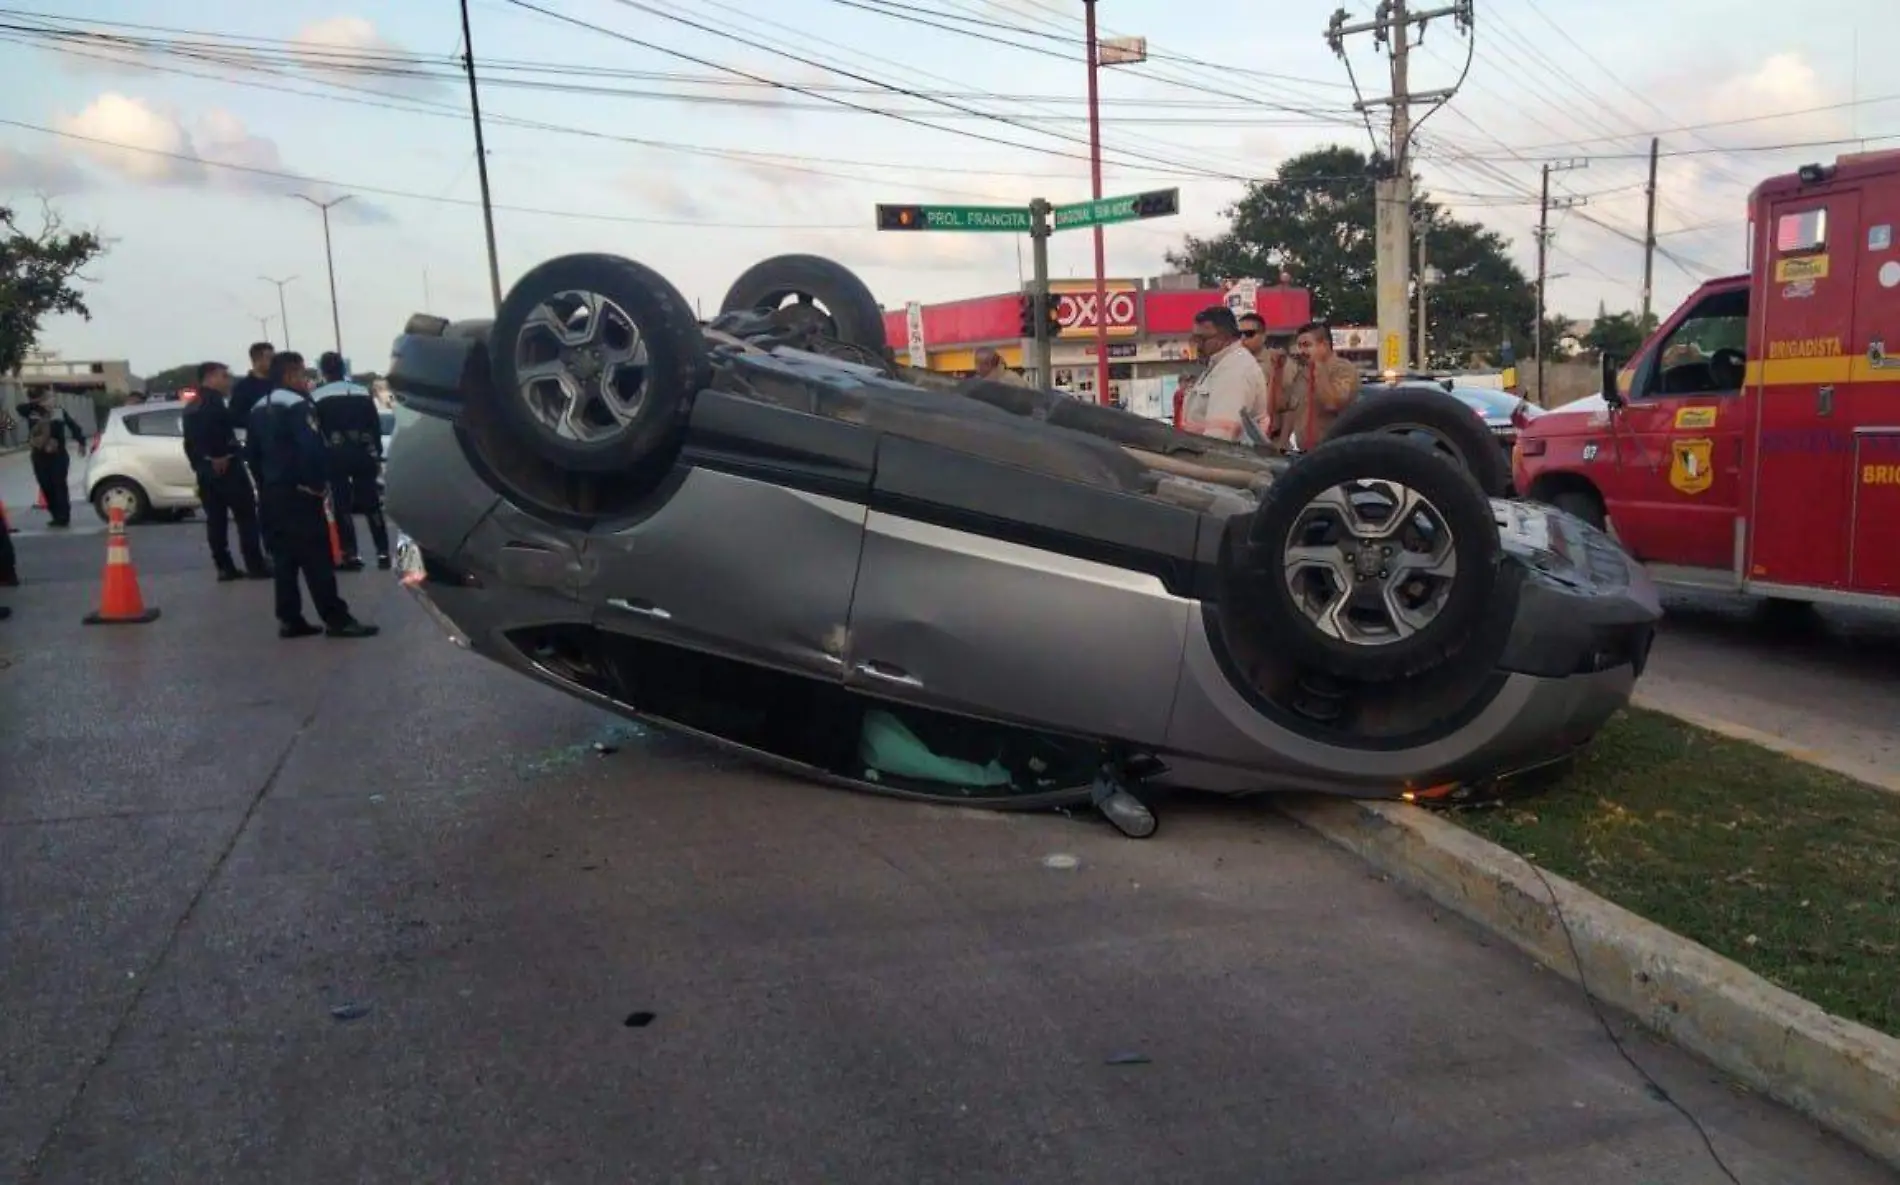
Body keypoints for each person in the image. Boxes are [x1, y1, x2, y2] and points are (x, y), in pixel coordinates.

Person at [246, 351, 378, 640]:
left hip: (272, 494)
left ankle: (290, 619)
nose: (307, 381)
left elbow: (252, 455)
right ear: (291, 375)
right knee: (317, 557)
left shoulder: (257, 408)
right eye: (303, 374)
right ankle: (336, 618)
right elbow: (311, 448)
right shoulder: (298, 406)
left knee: (284, 560)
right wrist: (316, 484)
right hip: (300, 495)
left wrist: (266, 484)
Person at [182, 361, 271, 582]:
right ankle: (255, 564)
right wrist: (218, 455)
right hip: (226, 468)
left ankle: (224, 566)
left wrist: (201, 463)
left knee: (216, 520)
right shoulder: (213, 402)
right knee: (246, 516)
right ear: (210, 377)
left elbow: (189, 442)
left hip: (205, 472)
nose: (228, 381)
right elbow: (213, 431)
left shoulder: (192, 404)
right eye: (224, 376)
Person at [310, 351, 391, 571]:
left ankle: (351, 554)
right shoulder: (362, 392)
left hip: (335, 456)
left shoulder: (317, 396)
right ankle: (383, 552)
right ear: (343, 369)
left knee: (342, 505)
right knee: (372, 503)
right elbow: (374, 426)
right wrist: (375, 451)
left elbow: (315, 431)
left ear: (323, 371)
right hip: (363, 453)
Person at [1266, 319, 1362, 451]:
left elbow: (1332, 403)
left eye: (1307, 345)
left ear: (1324, 345)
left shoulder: (1343, 369)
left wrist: (1319, 367)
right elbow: (1280, 406)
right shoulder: (1303, 373)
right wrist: (1277, 371)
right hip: (1306, 453)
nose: (1301, 351)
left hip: (1335, 451)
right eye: (1299, 346)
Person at [1179, 305, 1268, 445]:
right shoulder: (1220, 365)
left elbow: (1221, 437)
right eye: (1195, 338)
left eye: (1202, 339)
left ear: (1225, 337)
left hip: (1221, 462)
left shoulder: (1235, 370)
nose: (1198, 345)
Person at [16, 390, 87, 528]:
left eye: (52, 398)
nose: (52, 401)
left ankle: (63, 517)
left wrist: (81, 442)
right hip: (39, 455)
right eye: (48, 398)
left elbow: (73, 426)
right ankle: (55, 515)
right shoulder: (32, 412)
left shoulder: (59, 412)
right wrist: (37, 404)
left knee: (59, 485)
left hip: (58, 455)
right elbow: (19, 408)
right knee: (46, 485)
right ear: (41, 400)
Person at [227, 341, 276, 424]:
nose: (274, 362)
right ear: (256, 360)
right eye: (269, 358)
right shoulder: (243, 388)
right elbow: (236, 417)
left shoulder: (278, 384)